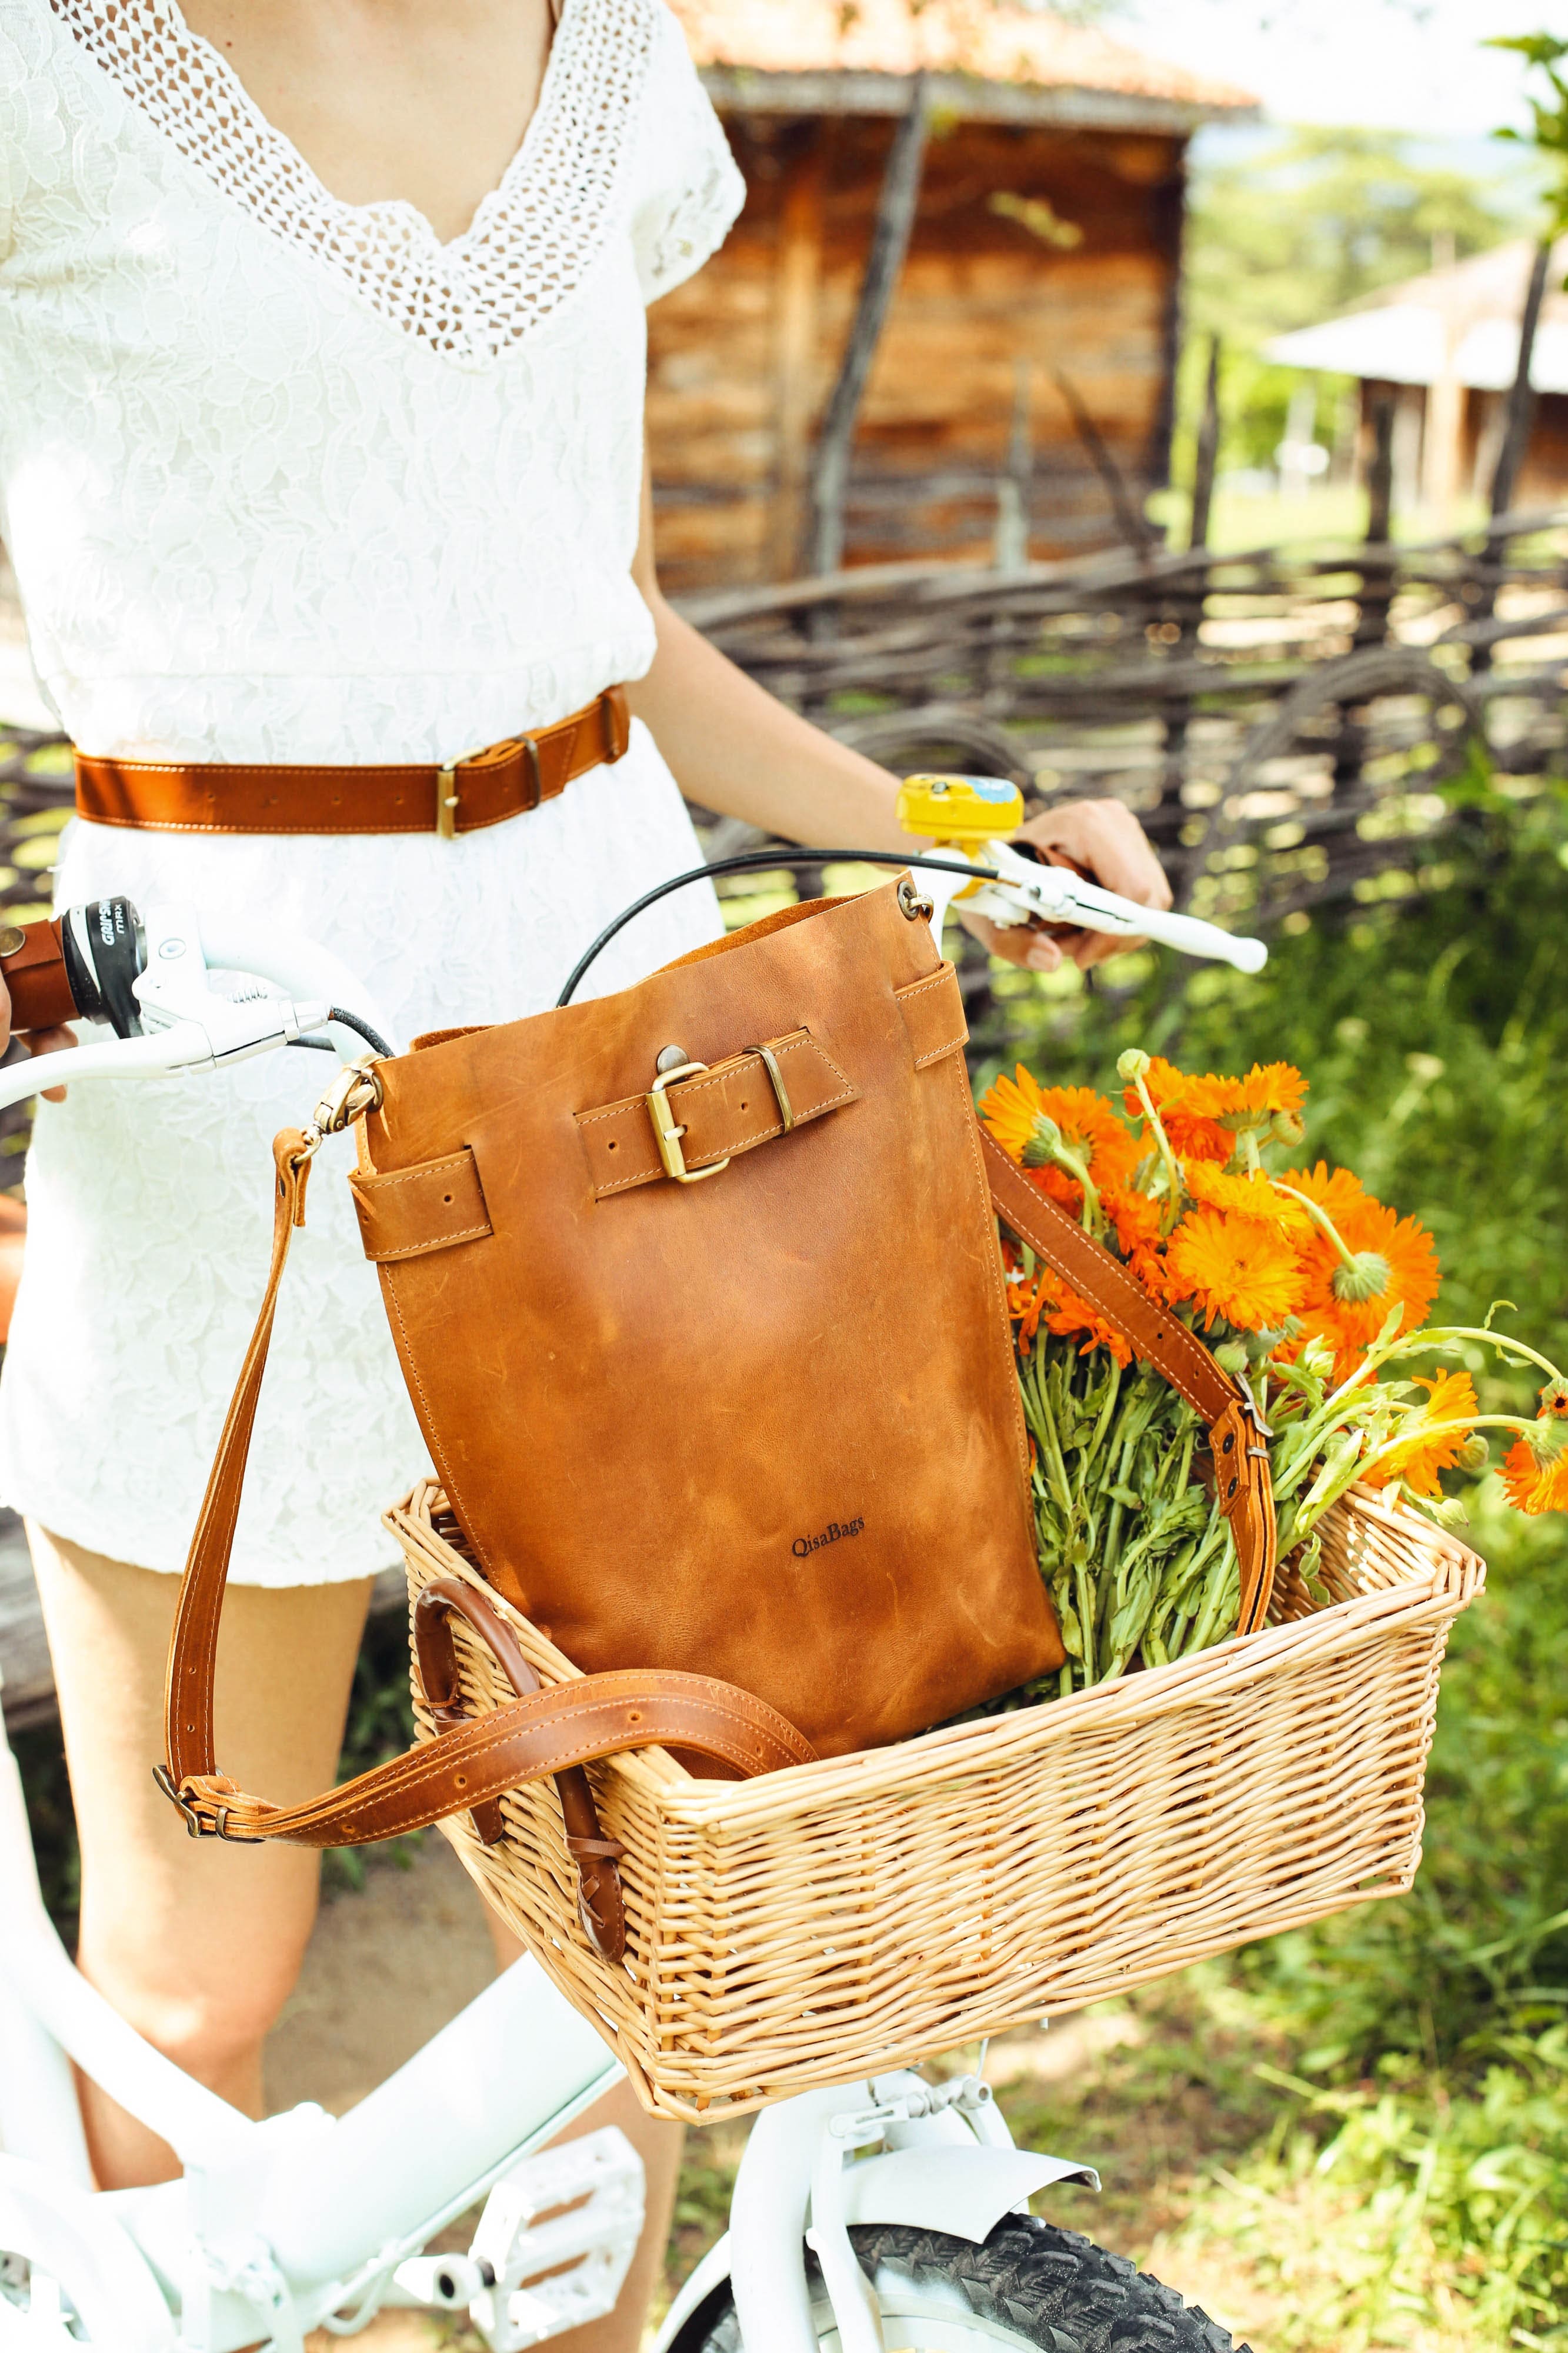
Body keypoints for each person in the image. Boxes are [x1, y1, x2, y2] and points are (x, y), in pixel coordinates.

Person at [0, 0, 1172, 2340]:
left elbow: (606, 607)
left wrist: (940, 827)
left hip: (613, 1034)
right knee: (200, 1965)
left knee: (634, 1904)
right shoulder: (43, 61)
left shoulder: (610, 51)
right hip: (220, 1051)